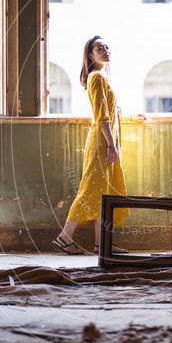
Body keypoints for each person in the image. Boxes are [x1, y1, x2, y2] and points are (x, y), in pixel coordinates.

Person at [53, 36, 130, 255]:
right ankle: (65, 237)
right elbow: (101, 115)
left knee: (103, 192)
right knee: (90, 190)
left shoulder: (102, 78)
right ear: (90, 55)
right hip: (101, 142)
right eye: (99, 48)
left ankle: (101, 243)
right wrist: (111, 146)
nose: (106, 50)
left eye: (107, 47)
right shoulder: (96, 77)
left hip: (105, 141)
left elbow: (112, 111)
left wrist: (132, 117)